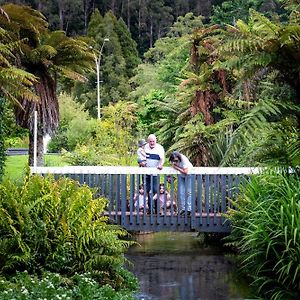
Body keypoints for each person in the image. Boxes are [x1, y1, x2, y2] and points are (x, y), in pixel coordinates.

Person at [144, 134, 165, 212]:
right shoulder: (145, 147)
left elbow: (162, 159)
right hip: (146, 173)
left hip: (155, 174)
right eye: (150, 141)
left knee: (156, 191)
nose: (152, 143)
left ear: (156, 141)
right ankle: (150, 209)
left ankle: (156, 209)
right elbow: (141, 158)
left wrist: (161, 164)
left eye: (153, 141)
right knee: (147, 191)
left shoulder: (159, 148)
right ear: (148, 141)